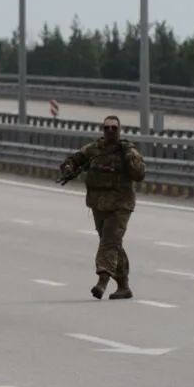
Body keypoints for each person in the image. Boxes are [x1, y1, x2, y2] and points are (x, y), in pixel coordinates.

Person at [60, 115, 146, 299]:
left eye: (114, 128)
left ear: (119, 130)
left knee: (109, 242)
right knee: (113, 244)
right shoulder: (94, 149)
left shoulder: (127, 150)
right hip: (99, 204)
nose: (110, 131)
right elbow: (74, 159)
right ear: (102, 129)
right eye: (107, 128)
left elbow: (139, 174)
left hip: (120, 205)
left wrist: (130, 157)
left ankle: (102, 281)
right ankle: (123, 286)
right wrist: (68, 168)